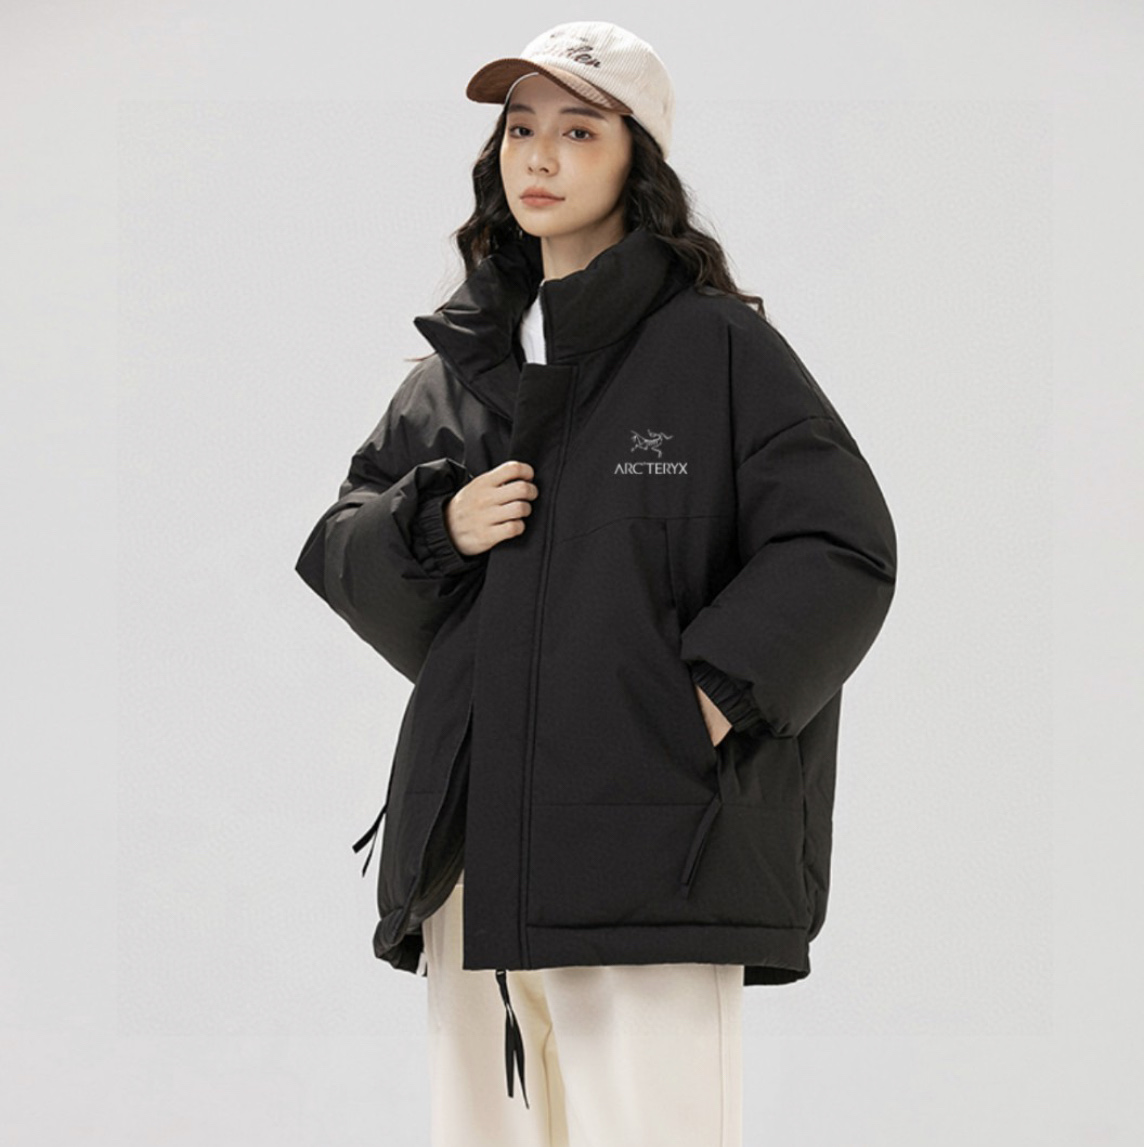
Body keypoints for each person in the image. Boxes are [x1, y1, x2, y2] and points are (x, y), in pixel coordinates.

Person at [295, 20, 897, 1147]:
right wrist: (436, 525)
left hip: (651, 845)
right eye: (521, 129)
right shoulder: (461, 368)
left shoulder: (714, 350)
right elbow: (342, 545)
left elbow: (841, 546)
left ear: (638, 161)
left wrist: (700, 702)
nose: (541, 155)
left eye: (579, 131)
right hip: (474, 847)